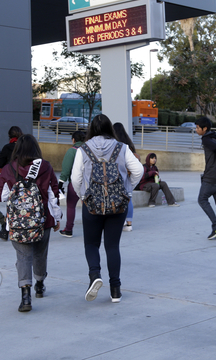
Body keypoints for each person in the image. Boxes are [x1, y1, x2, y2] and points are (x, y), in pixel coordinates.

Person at [71, 114, 143, 303]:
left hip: (92, 204)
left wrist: (82, 196)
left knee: (91, 244)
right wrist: (127, 191)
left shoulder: (83, 149)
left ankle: (95, 276)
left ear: (92, 129)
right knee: (112, 246)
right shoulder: (122, 147)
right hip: (117, 204)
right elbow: (138, 171)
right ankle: (116, 290)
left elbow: (75, 178)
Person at [0, 134, 62, 312]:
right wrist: (56, 217)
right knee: (40, 254)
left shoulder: (9, 168)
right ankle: (39, 285)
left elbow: (0, 196)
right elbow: (53, 193)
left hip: (18, 224)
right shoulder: (45, 166)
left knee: (23, 257)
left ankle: (25, 297)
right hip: (43, 220)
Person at [112, 122, 141, 232]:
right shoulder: (129, 144)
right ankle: (129, 224)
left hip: (117, 176)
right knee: (128, 199)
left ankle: (121, 220)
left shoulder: (115, 144)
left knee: (117, 199)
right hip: (128, 176)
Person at [58, 130, 86, 237]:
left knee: (71, 206)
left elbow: (66, 169)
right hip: (89, 183)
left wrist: (60, 184)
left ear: (73, 140)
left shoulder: (72, 151)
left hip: (74, 183)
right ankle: (91, 228)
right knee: (88, 207)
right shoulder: (89, 150)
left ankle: (68, 229)